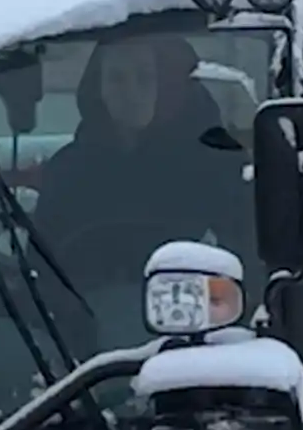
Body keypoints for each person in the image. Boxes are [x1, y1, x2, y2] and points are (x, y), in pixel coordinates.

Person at [24, 30, 256, 320]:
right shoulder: (68, 171)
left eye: (144, 78)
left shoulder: (220, 166)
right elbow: (41, 272)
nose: (129, 92)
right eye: (116, 79)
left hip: (197, 339)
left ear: (169, 87)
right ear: (98, 88)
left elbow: (250, 264)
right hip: (79, 345)